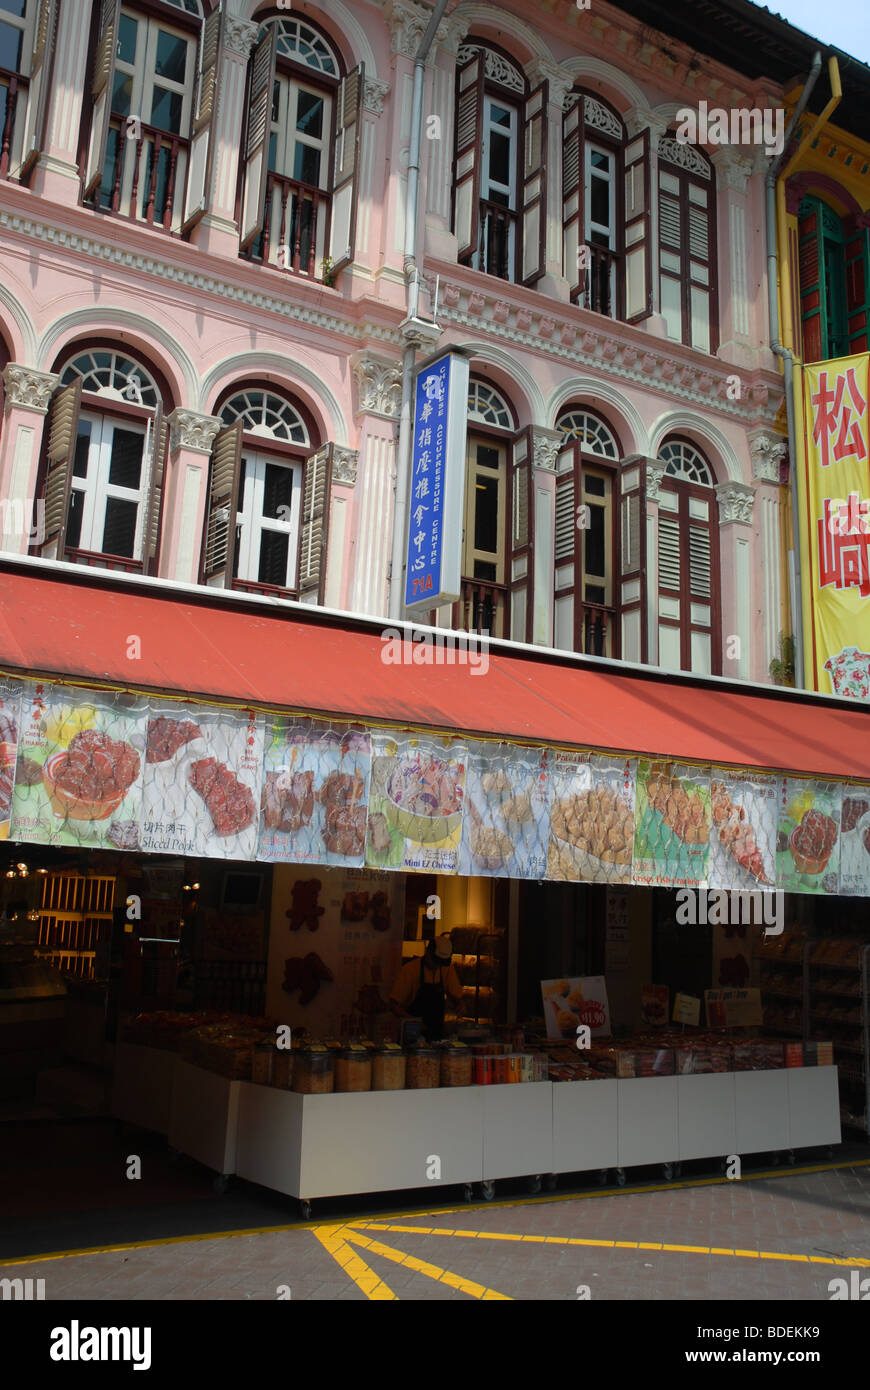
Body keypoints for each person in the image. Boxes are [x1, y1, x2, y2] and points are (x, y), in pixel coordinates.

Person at [389, 934, 462, 1041]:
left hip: (438, 1032)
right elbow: (393, 1005)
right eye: (435, 961)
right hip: (413, 1032)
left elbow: (457, 998)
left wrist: (459, 1006)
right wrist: (414, 1022)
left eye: (441, 963)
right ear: (427, 953)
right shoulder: (410, 970)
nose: (437, 965)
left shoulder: (446, 969)